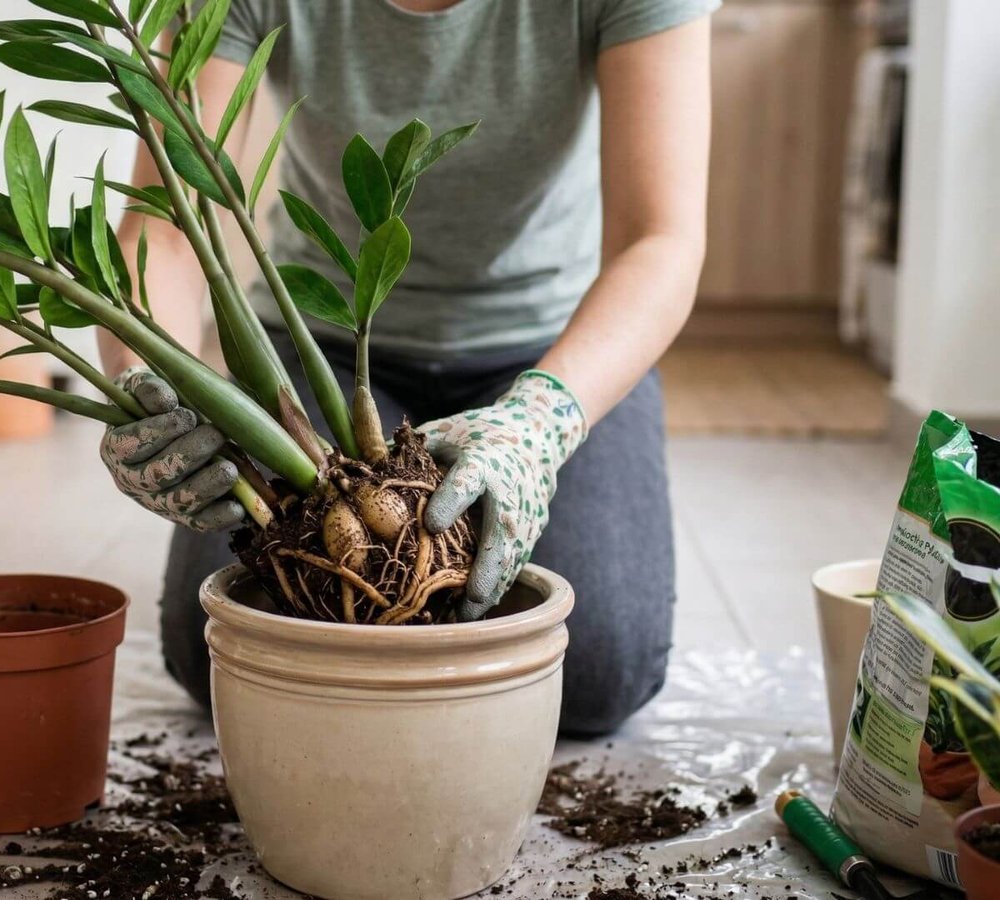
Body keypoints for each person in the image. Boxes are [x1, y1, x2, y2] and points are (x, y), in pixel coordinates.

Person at [96, 0, 715, 735]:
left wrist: (540, 420)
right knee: (222, 648)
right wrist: (152, 391)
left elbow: (662, 239)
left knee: (594, 669)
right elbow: (167, 224)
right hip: (320, 340)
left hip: (551, 354)